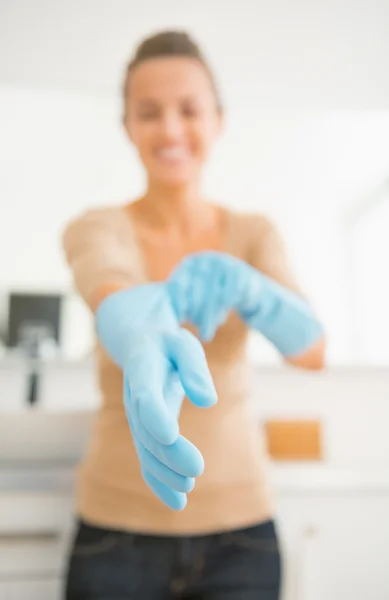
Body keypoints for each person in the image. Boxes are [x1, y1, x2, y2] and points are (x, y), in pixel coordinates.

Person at [62, 30, 325, 600]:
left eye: (189, 110)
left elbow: (311, 352)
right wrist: (137, 327)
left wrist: (257, 292)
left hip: (243, 536)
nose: (172, 130)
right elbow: (107, 279)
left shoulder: (254, 232)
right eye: (149, 113)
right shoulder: (98, 225)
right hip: (115, 532)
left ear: (219, 119)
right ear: (128, 125)